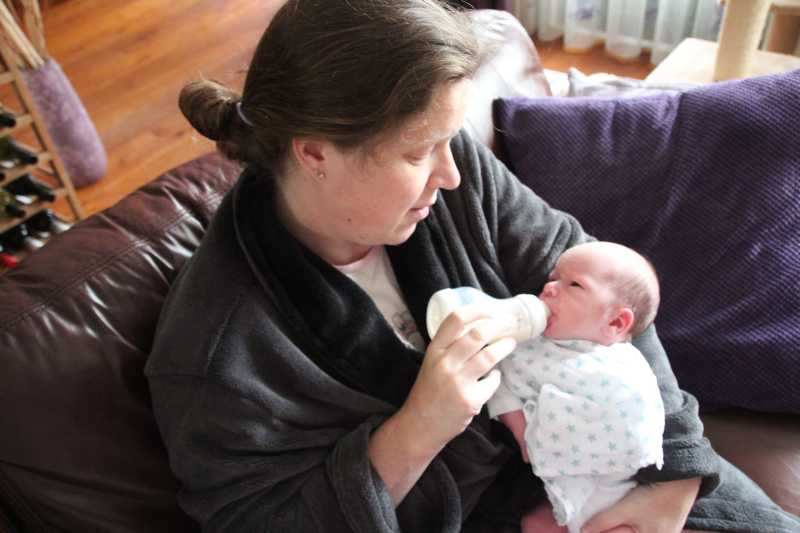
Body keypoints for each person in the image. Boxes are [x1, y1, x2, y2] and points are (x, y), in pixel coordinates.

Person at [144, 1, 800, 532]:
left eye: (449, 141)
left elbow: (603, 286)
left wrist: (676, 473)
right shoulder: (216, 349)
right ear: (314, 152)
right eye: (419, 152)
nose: (453, 174)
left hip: (615, 455)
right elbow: (257, 518)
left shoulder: (453, 175)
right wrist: (419, 427)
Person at [485, 241, 666, 533]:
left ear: (615, 322)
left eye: (574, 285)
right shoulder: (535, 345)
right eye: (553, 278)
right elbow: (499, 377)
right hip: (563, 491)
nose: (549, 288)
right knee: (536, 523)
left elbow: (640, 419)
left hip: (619, 485)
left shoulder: (625, 367)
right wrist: (520, 427)